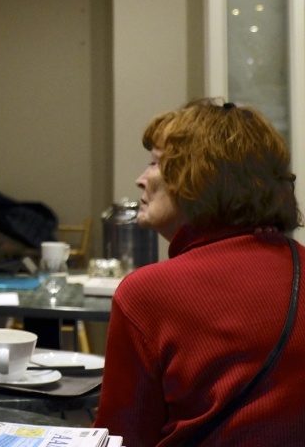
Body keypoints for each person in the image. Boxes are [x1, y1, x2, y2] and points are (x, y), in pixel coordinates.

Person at [94, 99, 305, 446]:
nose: (140, 180)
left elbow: (121, 438)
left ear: (198, 177)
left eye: (155, 163)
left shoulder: (147, 294)